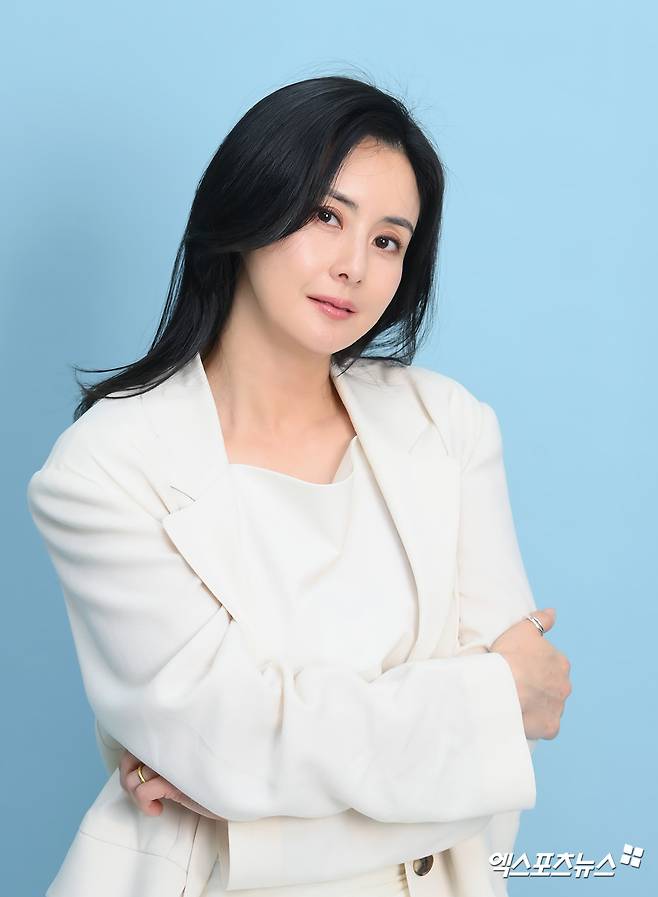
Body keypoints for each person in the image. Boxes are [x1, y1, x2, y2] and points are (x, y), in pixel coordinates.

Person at [27, 75, 572, 897]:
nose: (353, 266)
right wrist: (468, 720)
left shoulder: (447, 426)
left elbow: (514, 732)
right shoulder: (103, 469)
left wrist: (244, 799)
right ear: (249, 206)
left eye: (388, 240)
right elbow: (232, 743)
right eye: (325, 216)